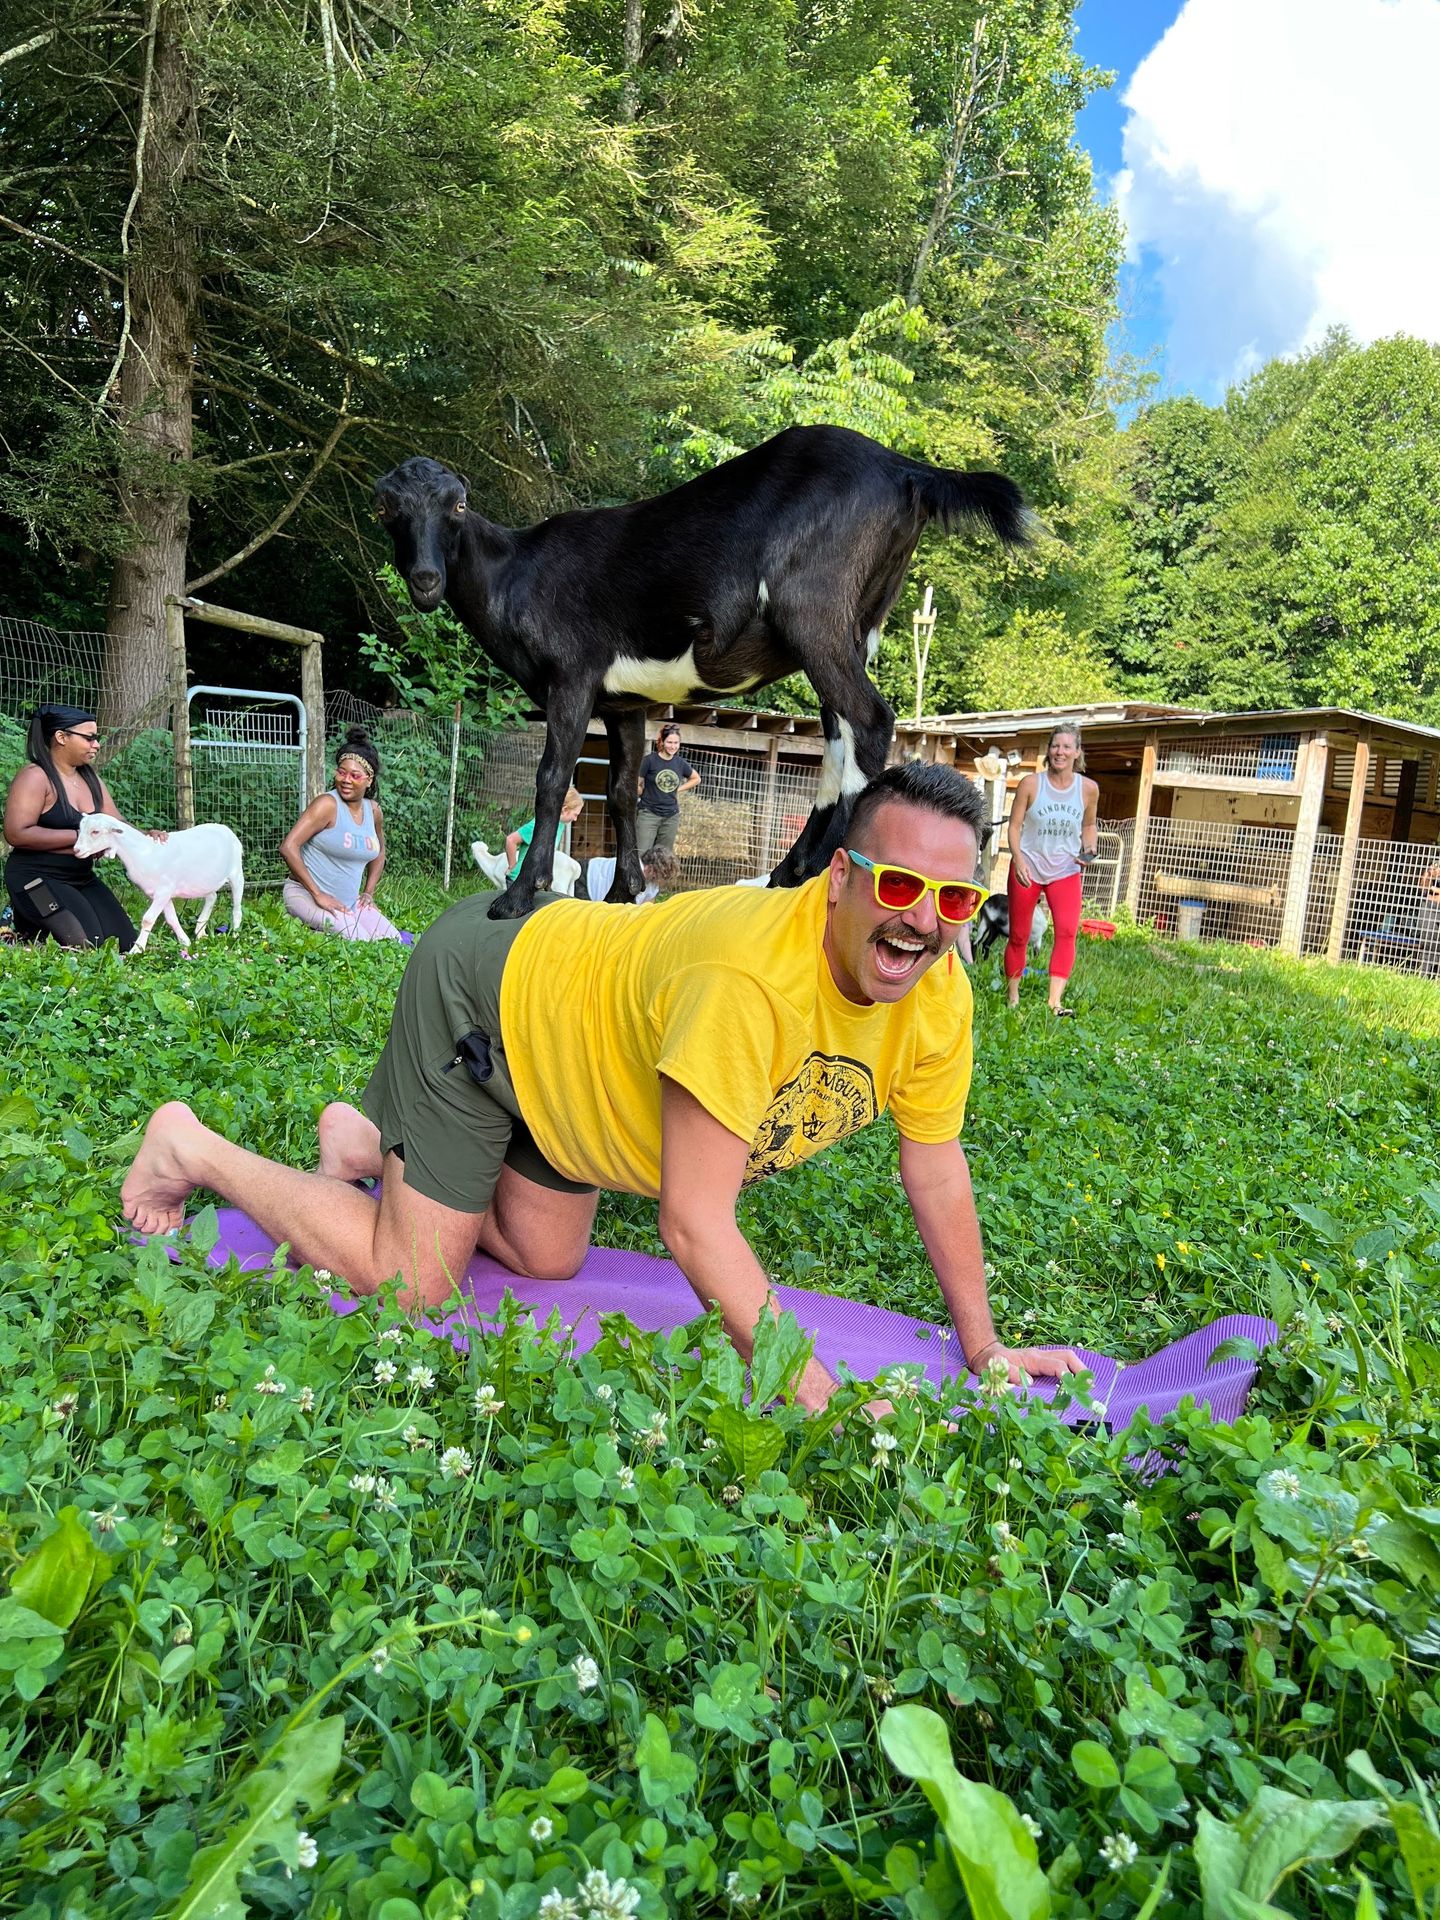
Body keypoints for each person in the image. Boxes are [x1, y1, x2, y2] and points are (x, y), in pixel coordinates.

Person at [122, 762, 1081, 1412]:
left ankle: (369, 1143)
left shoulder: (941, 993)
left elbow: (938, 1167)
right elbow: (695, 1224)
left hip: (572, 1055)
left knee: (546, 1260)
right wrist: (815, 1395)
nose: (924, 924)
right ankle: (190, 1144)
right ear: (839, 876)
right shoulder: (748, 981)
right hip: (492, 996)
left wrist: (985, 1345)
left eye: (954, 900)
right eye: (901, 887)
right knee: (415, 1286)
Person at [3, 704, 143, 950]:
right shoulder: (35, 777)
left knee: (124, 945)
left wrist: (147, 838)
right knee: (86, 946)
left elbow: (116, 824)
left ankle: (26, 925)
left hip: (80, 877)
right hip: (34, 879)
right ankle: (21, 917)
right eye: (89, 738)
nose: (96, 744)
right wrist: (80, 836)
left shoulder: (90, 779)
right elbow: (16, 833)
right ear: (61, 737)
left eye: (96, 738)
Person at [1004, 724, 1098, 1016]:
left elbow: (1089, 825)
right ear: (1049, 750)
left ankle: (1055, 1002)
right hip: (1028, 867)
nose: (1060, 752)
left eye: (1067, 747)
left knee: (1067, 933)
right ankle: (1013, 997)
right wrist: (1018, 858)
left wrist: (1089, 850)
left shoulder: (1088, 789)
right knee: (1019, 935)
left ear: (1077, 752)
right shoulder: (1032, 784)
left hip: (1066, 870)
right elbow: (1014, 826)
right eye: (1056, 746)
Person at [280, 727, 403, 941]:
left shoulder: (373, 811)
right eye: (341, 772)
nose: (346, 779)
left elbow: (380, 852)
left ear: (369, 780)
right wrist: (318, 894)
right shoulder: (327, 805)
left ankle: (325, 926)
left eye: (355, 775)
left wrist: (368, 892)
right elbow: (288, 847)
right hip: (304, 895)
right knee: (358, 940)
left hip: (349, 903)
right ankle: (308, 928)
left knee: (393, 941)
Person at [635, 723, 699, 856]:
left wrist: (678, 789)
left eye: (676, 743)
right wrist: (643, 792)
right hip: (649, 814)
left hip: (671, 816)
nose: (673, 746)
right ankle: (641, 878)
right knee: (642, 854)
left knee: (663, 857)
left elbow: (696, 778)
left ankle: (656, 878)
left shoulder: (680, 763)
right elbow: (637, 785)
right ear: (662, 742)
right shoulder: (649, 761)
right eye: (669, 742)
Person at [505, 786, 583, 882]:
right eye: (575, 814)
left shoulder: (559, 825)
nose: (575, 819)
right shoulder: (539, 824)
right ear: (565, 810)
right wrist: (512, 866)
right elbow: (510, 840)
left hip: (535, 880)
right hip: (518, 880)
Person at [578, 845, 676, 903]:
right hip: (586, 878)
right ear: (650, 869)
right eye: (661, 876)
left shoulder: (652, 884)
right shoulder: (631, 872)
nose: (661, 881)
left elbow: (647, 908)